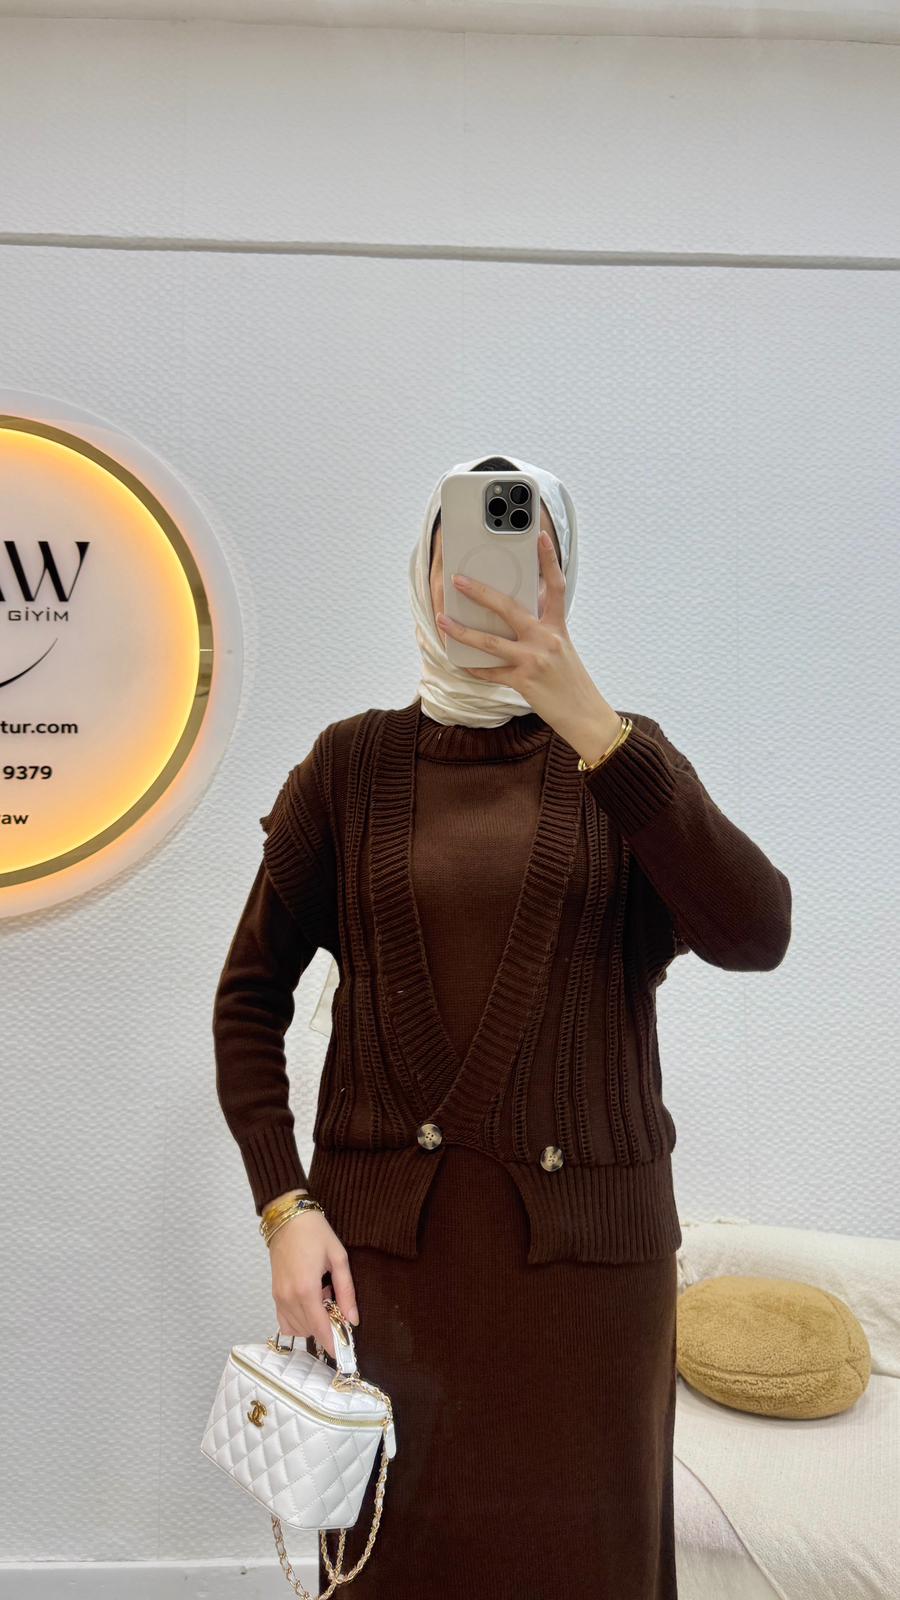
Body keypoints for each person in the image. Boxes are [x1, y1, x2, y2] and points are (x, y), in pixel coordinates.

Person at [212, 454, 792, 1598]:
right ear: (423, 570)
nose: (480, 581)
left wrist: (599, 727)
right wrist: (285, 1207)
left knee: (587, 1565)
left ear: (563, 580)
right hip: (389, 1271)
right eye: (459, 551)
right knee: (392, 1564)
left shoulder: (622, 762)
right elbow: (248, 999)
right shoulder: (350, 766)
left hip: (590, 1276)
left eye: (527, 555)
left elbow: (755, 931)